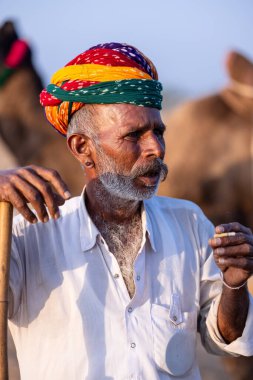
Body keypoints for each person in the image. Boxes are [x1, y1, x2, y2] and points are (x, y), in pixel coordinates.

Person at [1, 42, 253, 380]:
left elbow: (222, 337)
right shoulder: (25, 238)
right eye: (134, 135)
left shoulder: (190, 224)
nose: (156, 148)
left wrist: (235, 286)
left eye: (158, 132)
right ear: (82, 148)